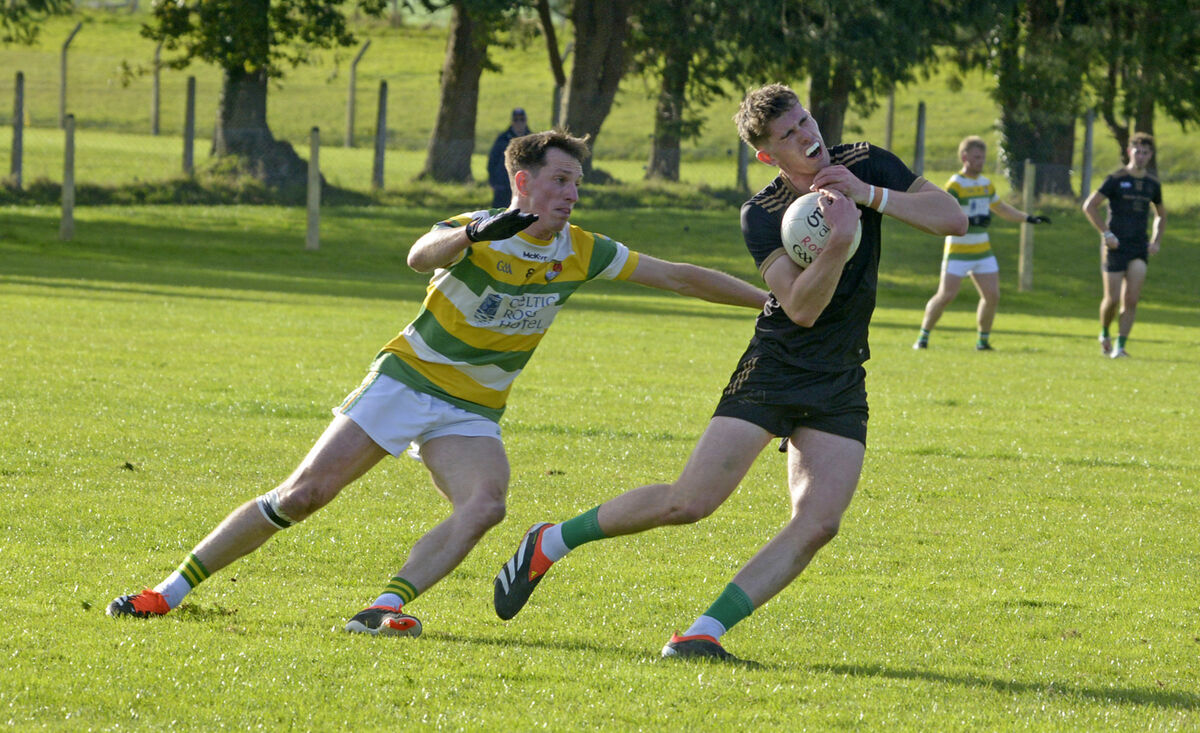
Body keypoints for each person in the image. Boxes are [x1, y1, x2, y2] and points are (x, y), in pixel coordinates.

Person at [106, 130, 768, 636]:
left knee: (486, 504)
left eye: (577, 184)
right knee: (306, 493)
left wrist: (770, 302)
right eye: (561, 180)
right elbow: (419, 255)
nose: (571, 194)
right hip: (406, 379)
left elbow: (680, 275)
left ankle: (384, 606)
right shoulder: (475, 231)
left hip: (471, 407)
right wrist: (478, 232)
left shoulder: (581, 250)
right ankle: (169, 589)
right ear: (522, 179)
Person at [492, 83, 966, 662]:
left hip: (842, 373)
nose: (806, 136)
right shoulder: (762, 214)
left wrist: (868, 195)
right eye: (788, 135)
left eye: (805, 121)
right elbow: (801, 308)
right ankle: (551, 540)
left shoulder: (863, 162)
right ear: (768, 155)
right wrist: (839, 242)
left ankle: (701, 634)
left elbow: (953, 219)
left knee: (818, 523)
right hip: (778, 364)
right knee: (689, 503)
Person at [913, 136, 1050, 351]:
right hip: (958, 250)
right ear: (964, 157)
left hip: (982, 251)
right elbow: (944, 210)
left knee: (992, 295)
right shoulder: (955, 184)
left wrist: (1028, 218)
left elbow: (1001, 208)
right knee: (946, 295)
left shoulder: (986, 184)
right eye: (977, 157)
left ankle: (982, 341)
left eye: (983, 157)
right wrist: (972, 220)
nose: (981, 161)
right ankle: (923, 337)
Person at [1082, 132, 1165, 358]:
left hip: (1138, 247)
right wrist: (1106, 233)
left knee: (1131, 300)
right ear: (1130, 152)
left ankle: (1120, 346)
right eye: (1137, 151)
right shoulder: (1116, 179)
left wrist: (1156, 241)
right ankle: (1105, 332)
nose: (1141, 156)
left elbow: (1160, 215)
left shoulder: (1152, 184)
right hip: (1115, 246)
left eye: (1146, 152)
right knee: (1113, 298)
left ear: (1150, 155)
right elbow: (1090, 206)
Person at [487, 108, 531, 207]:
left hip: (523, 186)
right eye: (516, 120)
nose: (519, 123)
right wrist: (493, 181)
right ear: (512, 122)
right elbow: (492, 161)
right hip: (503, 185)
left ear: (526, 121)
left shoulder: (531, 140)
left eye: (522, 119)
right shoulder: (502, 139)